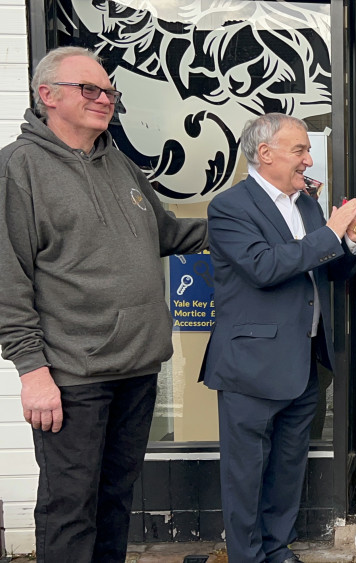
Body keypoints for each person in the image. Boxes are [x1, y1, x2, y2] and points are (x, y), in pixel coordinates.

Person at [0, 46, 209, 562]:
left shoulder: (119, 164)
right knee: (70, 508)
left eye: (110, 91)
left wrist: (249, 224)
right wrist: (32, 370)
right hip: (72, 375)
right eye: (89, 89)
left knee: (115, 500)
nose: (104, 99)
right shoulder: (18, 169)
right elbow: (7, 279)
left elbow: (167, 233)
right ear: (47, 96)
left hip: (136, 369)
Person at [200, 113, 356, 563]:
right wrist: (333, 231)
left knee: (286, 468)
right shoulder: (230, 207)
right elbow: (264, 268)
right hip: (251, 365)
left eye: (306, 150)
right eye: (299, 150)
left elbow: (328, 270)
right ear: (266, 154)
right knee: (245, 475)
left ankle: (276, 548)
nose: (308, 159)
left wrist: (352, 241)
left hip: (304, 360)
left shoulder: (306, 205)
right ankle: (248, 557)